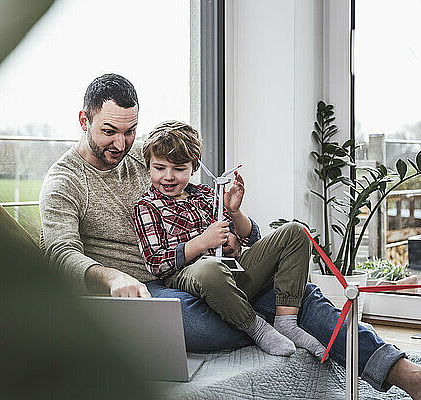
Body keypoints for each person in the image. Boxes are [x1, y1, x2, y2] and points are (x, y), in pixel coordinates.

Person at [39, 73, 421, 397]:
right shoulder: (64, 181)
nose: (121, 145)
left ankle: (405, 374)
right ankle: (282, 320)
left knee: (297, 293)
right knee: (218, 316)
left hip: (202, 267)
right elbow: (60, 253)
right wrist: (112, 276)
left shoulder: (146, 156)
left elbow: (205, 201)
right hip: (147, 287)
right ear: (83, 120)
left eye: (129, 131)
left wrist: (233, 219)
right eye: (109, 132)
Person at [133, 120, 326, 358]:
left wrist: (234, 214)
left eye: (179, 168)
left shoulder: (206, 194)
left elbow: (251, 238)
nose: (169, 177)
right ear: (148, 167)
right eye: (160, 168)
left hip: (232, 273)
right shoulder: (146, 206)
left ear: (194, 167)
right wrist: (203, 242)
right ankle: (256, 327)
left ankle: (287, 323)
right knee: (210, 269)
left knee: (296, 232)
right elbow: (156, 262)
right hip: (191, 277)